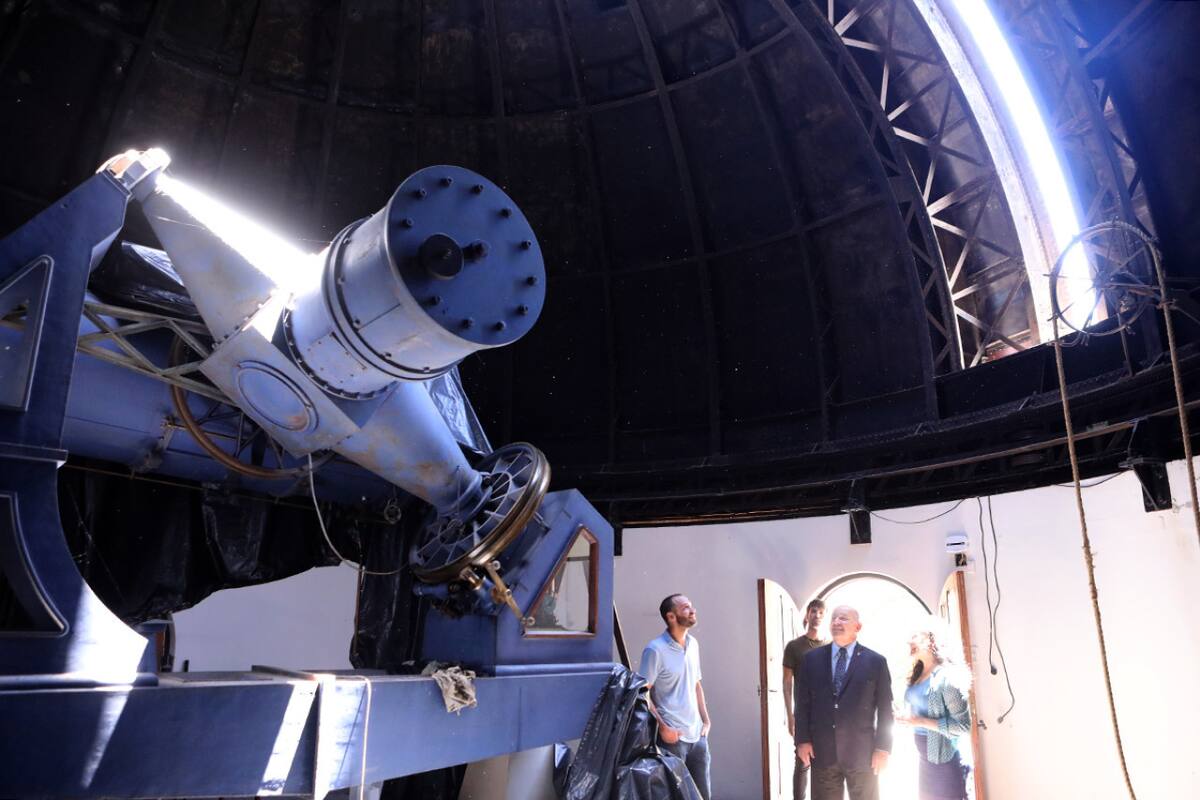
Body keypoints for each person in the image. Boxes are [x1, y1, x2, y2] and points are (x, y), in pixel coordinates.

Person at [793, 605, 892, 800]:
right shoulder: (810, 660)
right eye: (834, 618)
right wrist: (802, 740)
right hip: (822, 753)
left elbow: (886, 709)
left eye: (844, 618)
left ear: (858, 627)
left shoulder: (876, 662)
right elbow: (802, 703)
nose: (837, 622)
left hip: (863, 755)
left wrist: (883, 748)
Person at [638, 594, 712, 800]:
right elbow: (642, 693)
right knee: (676, 796)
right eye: (686, 608)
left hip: (698, 737)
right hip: (673, 740)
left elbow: (696, 684)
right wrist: (663, 727)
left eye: (691, 605)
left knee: (703, 795)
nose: (692, 610)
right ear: (671, 617)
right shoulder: (655, 650)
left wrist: (706, 721)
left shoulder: (693, 644)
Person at [895, 619, 973, 800]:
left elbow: (963, 726)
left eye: (914, 637)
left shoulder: (947, 677)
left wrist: (919, 721)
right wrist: (906, 718)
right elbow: (920, 712)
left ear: (931, 640)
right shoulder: (918, 673)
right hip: (926, 760)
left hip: (945, 763)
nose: (909, 642)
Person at [783, 599, 828, 800]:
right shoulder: (794, 646)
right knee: (802, 763)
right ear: (807, 615)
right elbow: (786, 683)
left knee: (825, 763)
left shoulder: (830, 646)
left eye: (821, 612)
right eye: (814, 611)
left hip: (826, 716)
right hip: (803, 713)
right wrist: (790, 716)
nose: (817, 615)